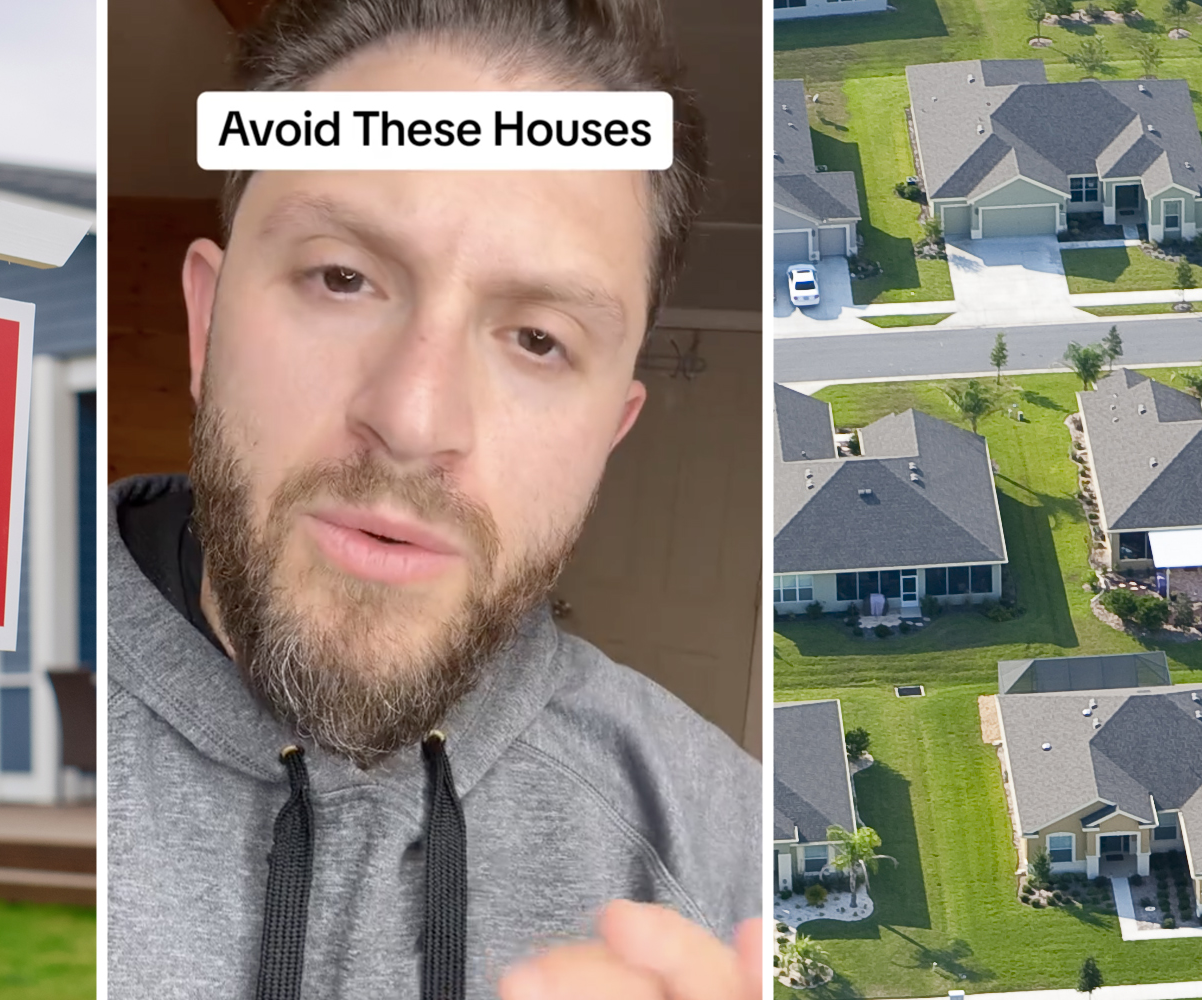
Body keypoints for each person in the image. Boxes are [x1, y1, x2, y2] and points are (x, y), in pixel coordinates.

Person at [107, 1, 762, 997]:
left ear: (606, 436)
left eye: (538, 339)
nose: (413, 418)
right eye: (341, 277)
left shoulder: (739, 859)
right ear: (205, 325)